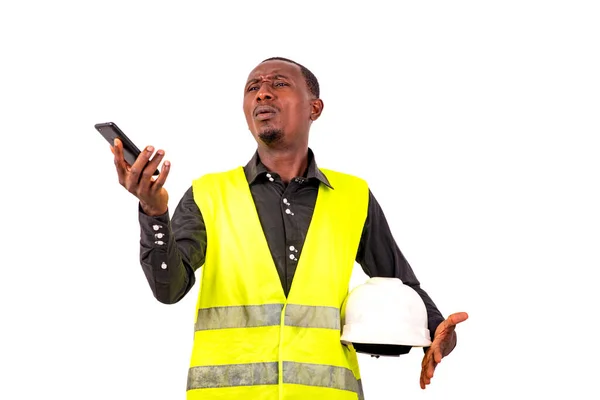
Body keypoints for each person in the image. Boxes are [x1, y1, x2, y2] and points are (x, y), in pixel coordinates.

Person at [111, 57, 468, 399]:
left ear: (315, 108)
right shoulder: (209, 194)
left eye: (278, 84)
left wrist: (440, 336)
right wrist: (154, 213)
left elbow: (402, 287)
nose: (263, 92)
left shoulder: (353, 196)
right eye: (253, 87)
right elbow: (168, 288)